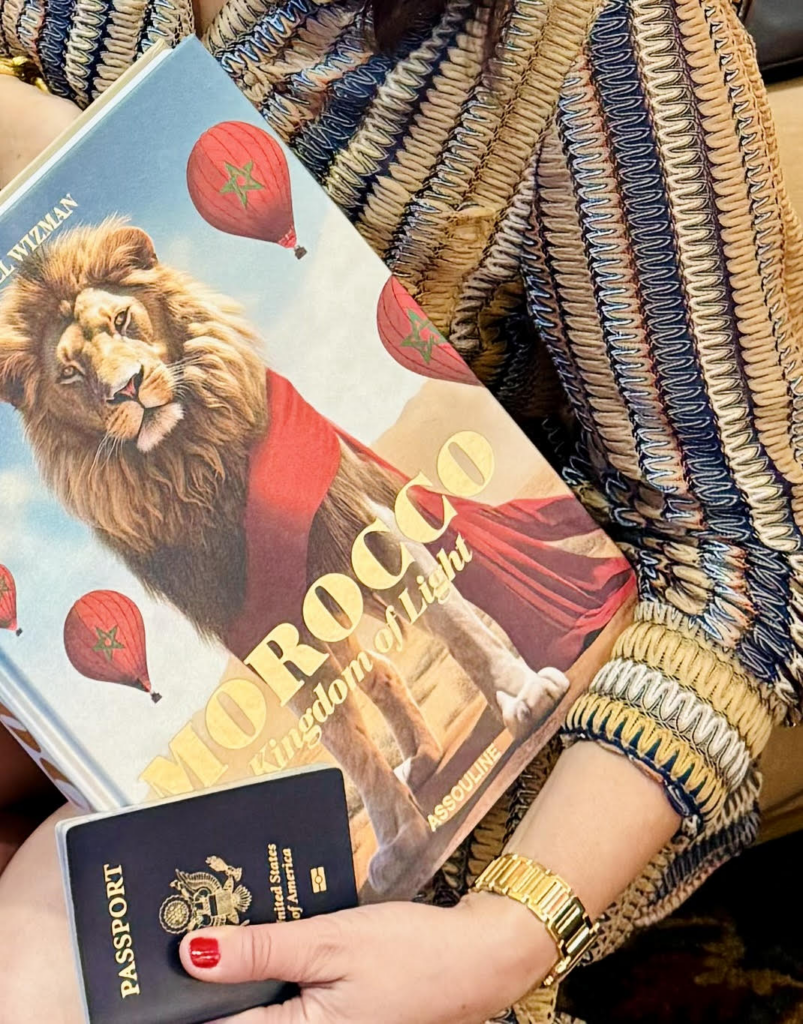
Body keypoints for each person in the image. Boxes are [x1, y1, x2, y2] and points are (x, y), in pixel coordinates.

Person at [0, 0, 798, 1021]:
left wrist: (506, 933)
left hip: (481, 727)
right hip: (90, 692)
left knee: (46, 980)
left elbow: (743, 553)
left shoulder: (619, 37)